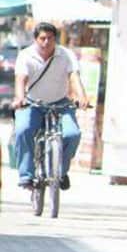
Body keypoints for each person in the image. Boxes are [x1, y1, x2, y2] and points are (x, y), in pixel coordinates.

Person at [12, 22, 89, 190]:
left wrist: (82, 97)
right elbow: (21, 79)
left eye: (50, 38)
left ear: (56, 39)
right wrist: (20, 98)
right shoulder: (26, 55)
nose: (46, 42)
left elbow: (74, 77)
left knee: (72, 134)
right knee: (23, 130)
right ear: (35, 40)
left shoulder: (66, 55)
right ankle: (26, 175)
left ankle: (61, 172)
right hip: (33, 103)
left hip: (61, 103)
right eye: (42, 38)